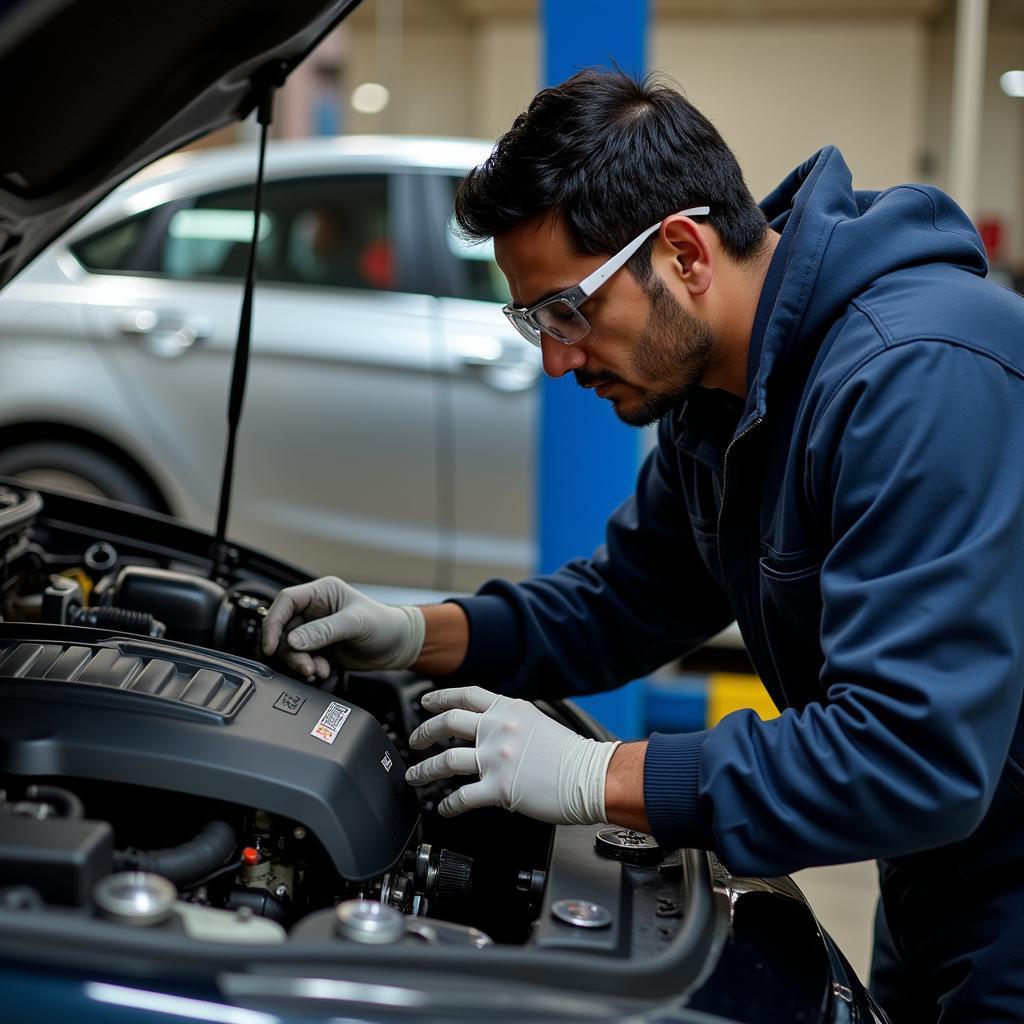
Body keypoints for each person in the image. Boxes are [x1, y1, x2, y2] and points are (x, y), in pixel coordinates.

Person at [262, 69, 1024, 1022]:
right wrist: (414, 633)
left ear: (683, 252)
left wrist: (598, 776)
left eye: (568, 311)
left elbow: (914, 752)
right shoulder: (723, 397)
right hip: (937, 878)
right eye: (533, 320)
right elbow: (626, 600)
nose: (554, 358)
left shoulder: (919, 381)